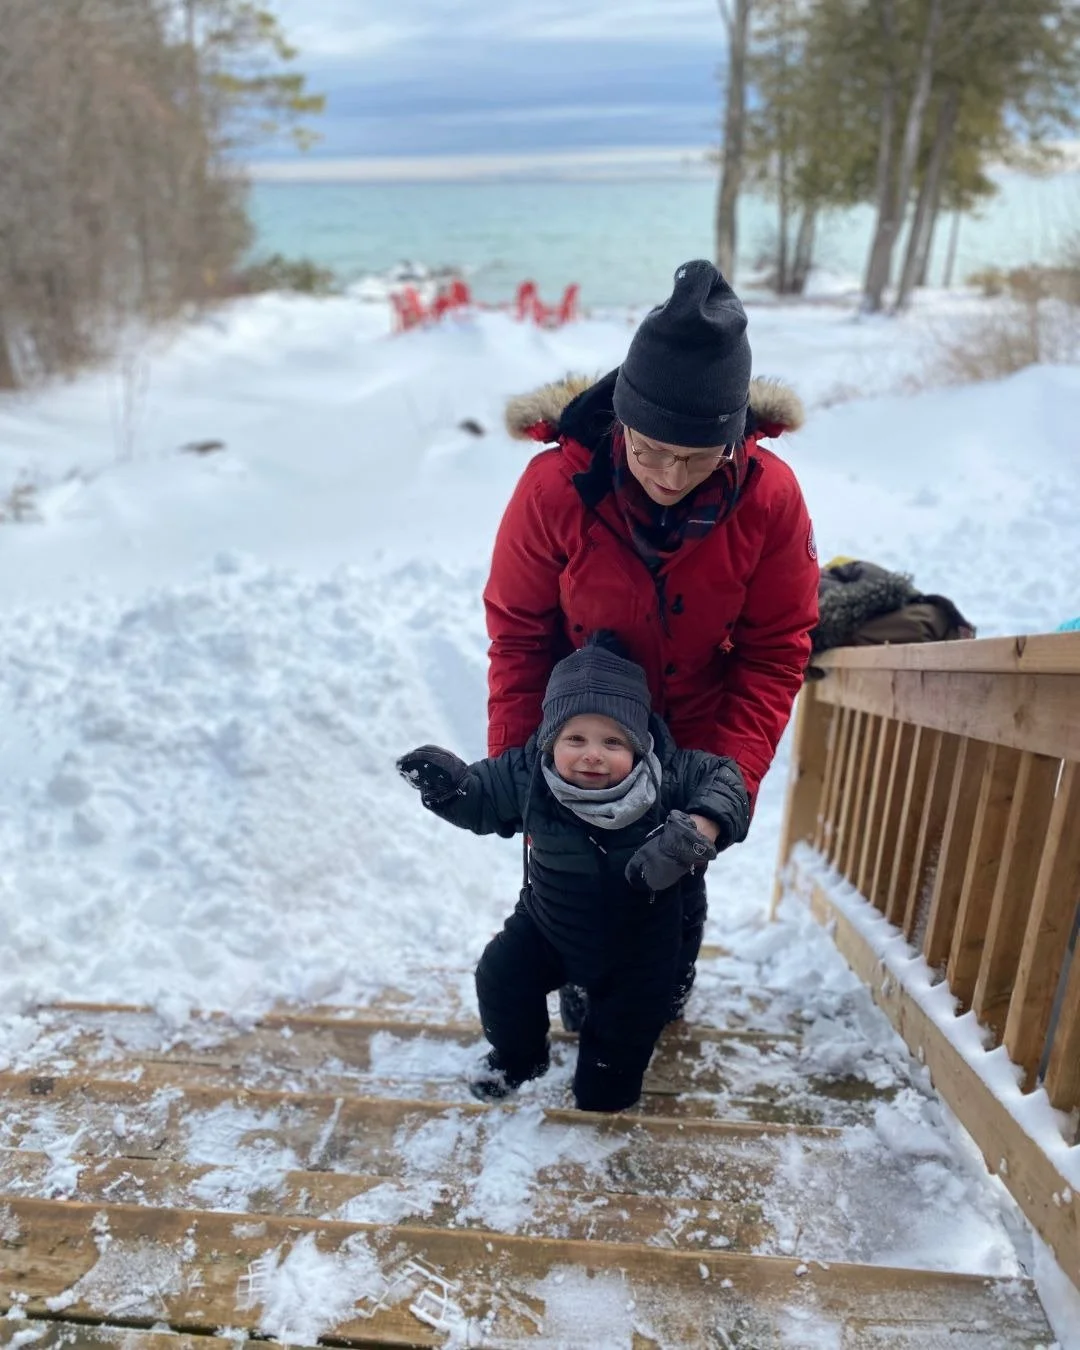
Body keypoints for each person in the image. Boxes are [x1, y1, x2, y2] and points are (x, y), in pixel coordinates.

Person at [484, 260, 819, 1023]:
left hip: (689, 742)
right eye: (650, 451)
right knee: (570, 912)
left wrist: (716, 797)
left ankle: (661, 995)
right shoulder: (552, 490)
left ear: (735, 440)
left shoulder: (770, 499)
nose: (669, 474)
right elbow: (519, 636)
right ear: (621, 422)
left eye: (696, 459)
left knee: (666, 931)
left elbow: (775, 651)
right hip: (577, 746)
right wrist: (520, 772)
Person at [397, 634, 750, 1113]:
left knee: (614, 1063)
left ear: (641, 744)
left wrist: (700, 827)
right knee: (500, 979)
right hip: (549, 927)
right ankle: (518, 1058)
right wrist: (449, 790)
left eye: (612, 741)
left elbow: (728, 780)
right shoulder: (529, 776)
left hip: (640, 947)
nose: (592, 755)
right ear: (551, 740)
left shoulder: (667, 776)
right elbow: (481, 797)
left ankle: (604, 1094)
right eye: (575, 739)